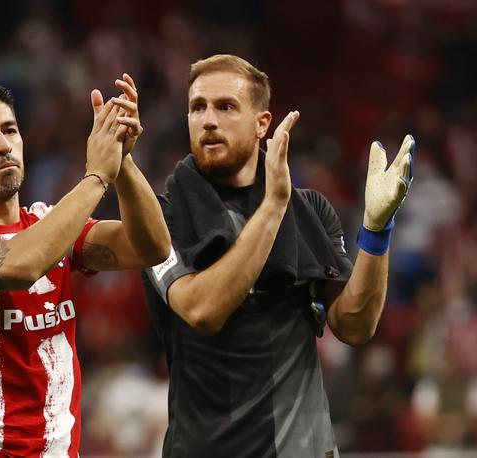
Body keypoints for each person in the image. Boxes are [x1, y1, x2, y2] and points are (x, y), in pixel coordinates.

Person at [142, 54, 415, 457]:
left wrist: (375, 233)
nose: (208, 120)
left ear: (262, 124)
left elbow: (354, 326)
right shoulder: (163, 215)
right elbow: (203, 309)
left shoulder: (310, 211)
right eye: (197, 107)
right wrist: (272, 206)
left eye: (226, 106)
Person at [0, 76, 171, 458]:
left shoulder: (48, 224)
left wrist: (122, 159)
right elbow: (21, 264)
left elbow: (151, 247)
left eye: (9, 130)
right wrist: (97, 175)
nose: (2, 146)